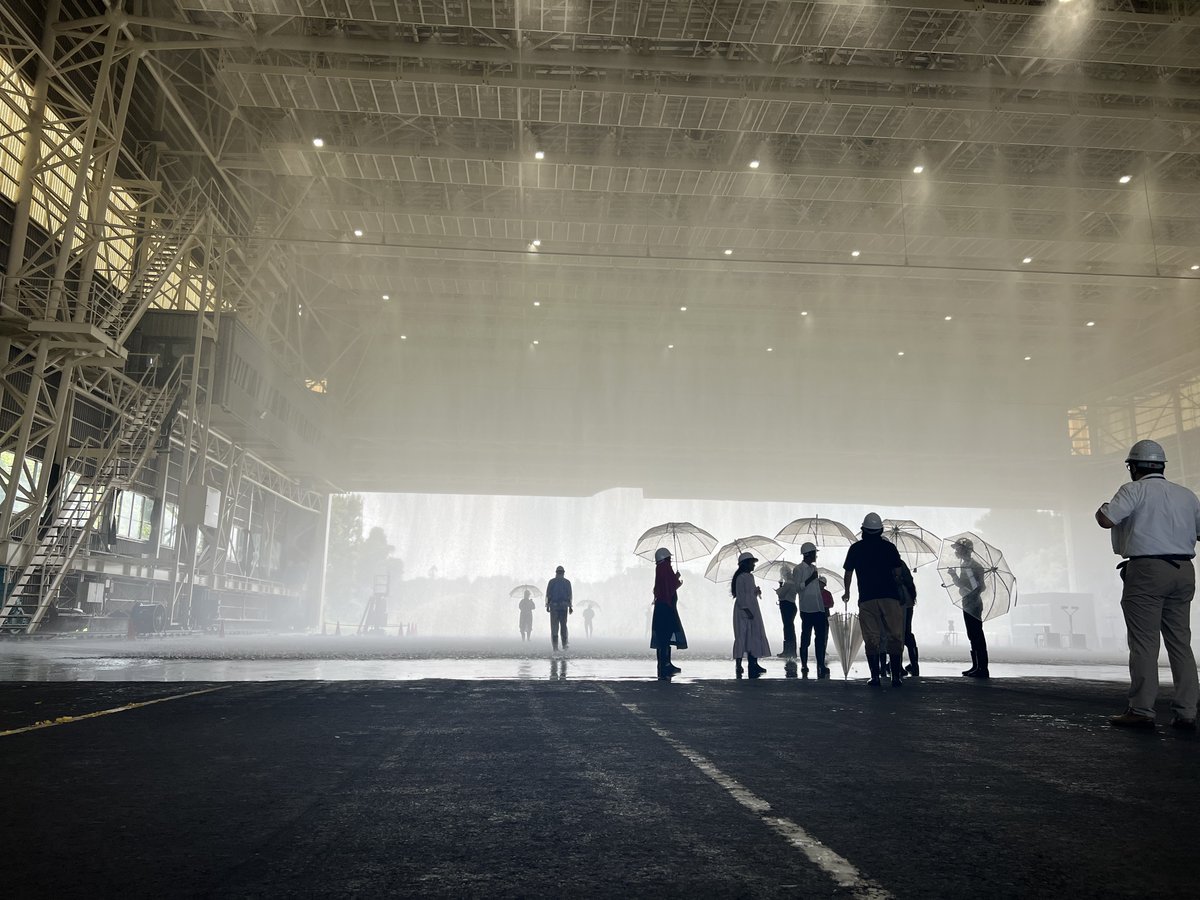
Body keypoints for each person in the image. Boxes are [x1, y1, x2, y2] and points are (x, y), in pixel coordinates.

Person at [1096, 439, 1200, 730]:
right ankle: (1187, 711)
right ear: (1162, 466)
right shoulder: (1187, 495)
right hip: (1183, 570)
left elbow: (1106, 520)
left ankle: (1141, 710)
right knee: (1181, 644)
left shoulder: (1133, 490)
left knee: (1144, 643)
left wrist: (1101, 508)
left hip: (1147, 571)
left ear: (1133, 467)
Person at [842, 512, 908, 687]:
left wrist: (847, 592)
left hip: (867, 598)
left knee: (872, 637)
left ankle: (875, 677)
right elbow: (898, 572)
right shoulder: (889, 548)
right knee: (895, 635)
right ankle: (895, 677)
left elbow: (848, 572)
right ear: (880, 530)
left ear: (863, 530)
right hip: (890, 597)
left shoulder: (855, 548)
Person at [949, 538, 989, 678]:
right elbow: (962, 584)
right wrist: (954, 575)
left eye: (958, 549)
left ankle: (982, 668)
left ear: (965, 550)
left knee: (977, 634)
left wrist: (971, 591)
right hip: (967, 603)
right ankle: (976, 666)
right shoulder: (965, 565)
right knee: (972, 635)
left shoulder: (975, 566)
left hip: (974, 604)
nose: (956, 551)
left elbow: (981, 586)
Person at [731, 551, 770, 678]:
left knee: (753, 635)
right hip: (744, 610)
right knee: (742, 636)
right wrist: (746, 610)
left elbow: (749, 593)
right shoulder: (740, 577)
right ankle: (739, 664)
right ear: (745, 564)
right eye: (752, 563)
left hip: (752, 609)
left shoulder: (749, 577)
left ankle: (753, 663)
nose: (753, 565)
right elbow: (740, 595)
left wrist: (756, 591)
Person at [651, 547, 687, 678]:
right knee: (665, 636)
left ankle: (663, 664)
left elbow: (663, 587)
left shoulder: (660, 568)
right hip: (666, 609)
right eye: (669, 558)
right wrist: (676, 579)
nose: (671, 561)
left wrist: (674, 578)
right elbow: (668, 588)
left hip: (661, 608)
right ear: (664, 558)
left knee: (662, 637)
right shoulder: (665, 568)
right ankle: (666, 665)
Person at [794, 543, 830, 678]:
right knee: (806, 637)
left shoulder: (814, 568)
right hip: (807, 609)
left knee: (820, 638)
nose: (816, 555)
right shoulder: (798, 569)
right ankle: (804, 664)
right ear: (808, 554)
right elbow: (798, 588)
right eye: (814, 553)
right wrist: (811, 579)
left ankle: (820, 664)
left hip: (818, 607)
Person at [545, 565, 573, 653]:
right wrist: (570, 606)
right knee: (563, 626)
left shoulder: (552, 582)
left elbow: (548, 594)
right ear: (563, 573)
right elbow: (569, 596)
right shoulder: (567, 582)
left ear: (556, 573)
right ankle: (564, 647)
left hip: (554, 607)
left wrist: (547, 605)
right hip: (564, 607)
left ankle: (555, 648)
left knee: (554, 627)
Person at [775, 560, 798, 659]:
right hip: (790, 606)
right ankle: (790, 650)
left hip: (787, 606)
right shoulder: (792, 582)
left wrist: (780, 587)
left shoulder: (789, 583)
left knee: (788, 628)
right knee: (789, 628)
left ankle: (789, 651)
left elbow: (781, 593)